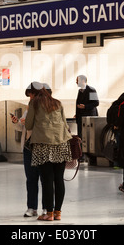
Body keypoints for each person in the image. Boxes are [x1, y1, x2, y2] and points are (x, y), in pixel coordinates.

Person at [25, 85, 72, 221]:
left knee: (47, 180)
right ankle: (58, 213)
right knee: (59, 179)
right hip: (61, 143)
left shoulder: (34, 103)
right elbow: (65, 124)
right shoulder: (57, 103)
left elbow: (28, 125)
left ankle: (48, 214)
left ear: (36, 94)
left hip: (43, 145)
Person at [11, 82, 45, 217]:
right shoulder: (28, 107)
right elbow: (23, 126)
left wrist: (29, 122)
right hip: (28, 147)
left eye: (31, 95)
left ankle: (47, 208)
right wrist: (17, 122)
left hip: (42, 146)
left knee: (45, 179)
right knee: (31, 178)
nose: (30, 98)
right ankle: (32, 207)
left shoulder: (48, 107)